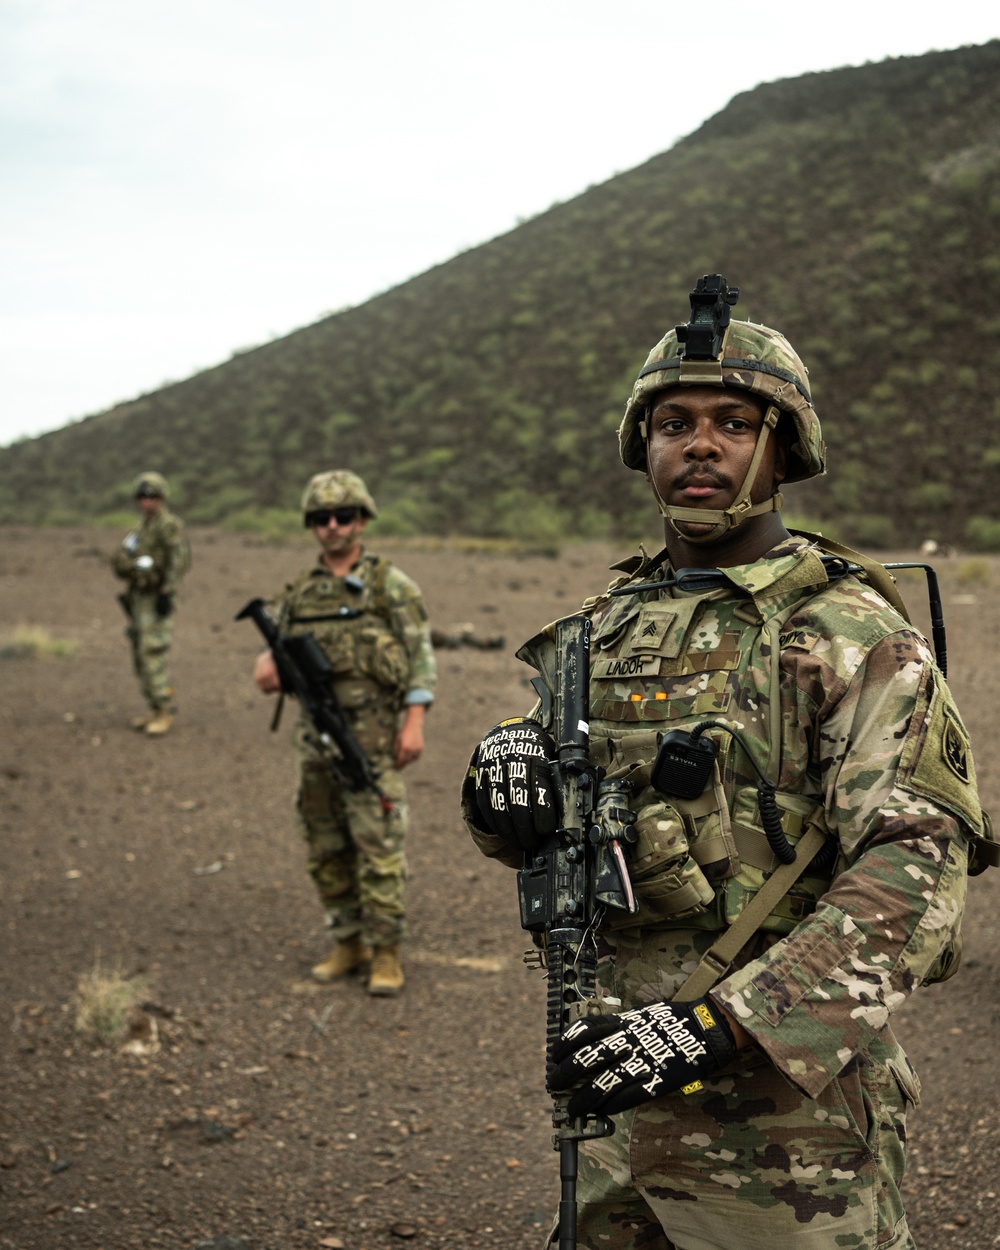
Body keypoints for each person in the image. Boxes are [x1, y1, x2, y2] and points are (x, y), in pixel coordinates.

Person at [463, 276, 995, 1249]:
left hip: (790, 1144)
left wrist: (721, 1028)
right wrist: (500, 769)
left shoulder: (846, 634)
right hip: (612, 1112)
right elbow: (548, 821)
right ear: (644, 444)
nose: (698, 443)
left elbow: (915, 876)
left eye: (731, 421)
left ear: (779, 446)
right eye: (673, 420)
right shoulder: (599, 632)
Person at [253, 470, 436, 997]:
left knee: (379, 844)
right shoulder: (301, 593)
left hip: (374, 740)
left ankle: (385, 952)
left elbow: (421, 657)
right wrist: (270, 668)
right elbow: (271, 666)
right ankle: (348, 940)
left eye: (344, 516)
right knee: (325, 845)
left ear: (362, 521)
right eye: (321, 518)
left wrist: (415, 723)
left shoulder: (390, 586)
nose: (332, 527)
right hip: (316, 742)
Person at [111, 471, 190, 736]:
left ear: (162, 498)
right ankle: (153, 708)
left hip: (157, 596)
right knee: (139, 652)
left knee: (151, 651)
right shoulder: (140, 529)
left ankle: (163, 709)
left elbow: (179, 560)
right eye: (143, 497)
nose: (147, 502)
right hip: (138, 597)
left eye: (153, 496)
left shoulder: (168, 525)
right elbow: (121, 559)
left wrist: (167, 592)